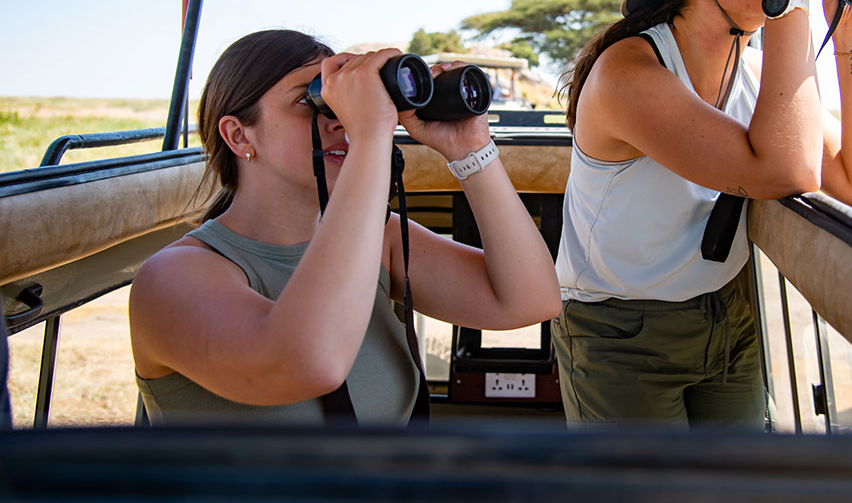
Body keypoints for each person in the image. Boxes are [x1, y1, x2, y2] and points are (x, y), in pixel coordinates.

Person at [552, 0, 852, 427]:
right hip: (620, 334)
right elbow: (786, 170)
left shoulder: (759, 76)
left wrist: (851, 32)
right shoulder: (628, 74)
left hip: (727, 316)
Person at [129, 29, 561, 425]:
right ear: (240, 136)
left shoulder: (380, 240)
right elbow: (306, 363)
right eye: (310, 101)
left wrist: (471, 150)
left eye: (341, 102)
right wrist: (370, 136)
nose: (338, 120)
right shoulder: (171, 279)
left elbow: (530, 301)